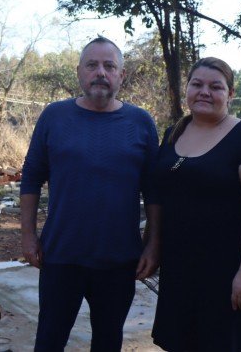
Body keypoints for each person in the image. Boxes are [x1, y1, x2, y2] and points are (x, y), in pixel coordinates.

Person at [20, 36, 161, 351]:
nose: (101, 72)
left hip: (119, 259)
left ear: (121, 76)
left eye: (110, 66)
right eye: (92, 65)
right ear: (79, 72)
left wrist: (153, 244)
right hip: (61, 255)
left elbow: (154, 191)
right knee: (50, 339)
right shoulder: (54, 117)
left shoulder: (140, 122)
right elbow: (31, 177)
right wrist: (28, 236)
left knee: (108, 341)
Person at [151, 57, 241, 351]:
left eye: (216, 86)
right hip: (182, 269)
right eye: (196, 84)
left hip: (229, 272)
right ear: (186, 88)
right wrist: (153, 246)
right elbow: (160, 195)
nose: (204, 92)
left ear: (230, 94)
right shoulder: (175, 132)